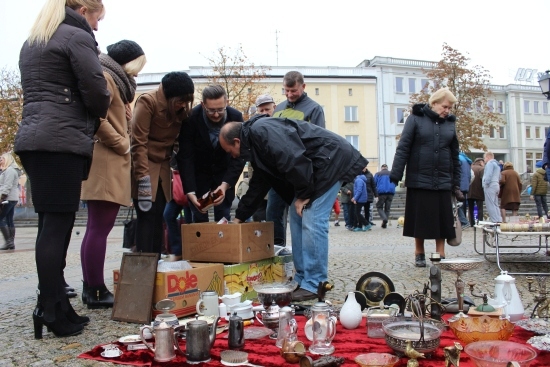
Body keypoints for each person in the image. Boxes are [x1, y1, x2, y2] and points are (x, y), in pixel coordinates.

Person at [14, 0, 109, 339]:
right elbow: (98, 94)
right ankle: (50, 308)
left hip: (35, 140)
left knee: (50, 225)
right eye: (98, 18)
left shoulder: (34, 40)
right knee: (57, 227)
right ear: (84, 10)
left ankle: (54, 302)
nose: (98, 27)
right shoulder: (76, 37)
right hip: (61, 142)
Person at [219, 117, 368, 301]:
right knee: (296, 215)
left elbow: (293, 157)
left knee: (313, 218)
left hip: (331, 160)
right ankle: (302, 278)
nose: (233, 156)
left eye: (230, 151)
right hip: (317, 166)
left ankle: (315, 284)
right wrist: (239, 218)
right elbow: (259, 184)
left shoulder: (261, 130)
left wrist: (304, 194)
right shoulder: (255, 145)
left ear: (236, 141)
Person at [80, 40, 146, 309]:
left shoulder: (115, 80)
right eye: (138, 66)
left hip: (110, 162)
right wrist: (122, 142)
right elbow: (96, 118)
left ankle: (92, 286)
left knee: (98, 228)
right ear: (128, 62)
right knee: (98, 228)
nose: (139, 73)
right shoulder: (108, 78)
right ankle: (94, 289)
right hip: (106, 162)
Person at [390, 87, 461, 267]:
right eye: (445, 106)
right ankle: (419, 252)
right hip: (419, 178)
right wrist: (396, 174)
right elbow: (403, 147)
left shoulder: (450, 124)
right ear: (434, 103)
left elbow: (455, 155)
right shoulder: (415, 119)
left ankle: (440, 252)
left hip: (443, 179)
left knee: (442, 219)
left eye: (450, 108)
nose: (447, 110)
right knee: (419, 219)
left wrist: (457, 183)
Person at [131, 71, 195, 254]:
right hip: (145, 165)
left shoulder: (181, 110)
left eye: (186, 101)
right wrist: (142, 178)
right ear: (169, 96)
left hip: (163, 167)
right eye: (180, 101)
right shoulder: (147, 102)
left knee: (160, 216)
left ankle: (156, 261)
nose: (183, 105)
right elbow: (138, 142)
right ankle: (144, 262)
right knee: (146, 216)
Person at [267, 71, 326, 247]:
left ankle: (302, 260)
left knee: (298, 218)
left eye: (294, 90)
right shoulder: (278, 109)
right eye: (286, 90)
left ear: (303, 87)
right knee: (273, 214)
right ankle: (277, 252)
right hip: (279, 174)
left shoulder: (314, 109)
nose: (290, 94)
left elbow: (318, 143)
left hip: (300, 173)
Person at [177, 85, 244, 223]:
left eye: (220, 109)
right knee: (199, 221)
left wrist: (225, 185)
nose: (216, 114)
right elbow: (186, 157)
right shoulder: (190, 118)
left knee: (223, 218)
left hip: (224, 175)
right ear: (202, 105)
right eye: (211, 110)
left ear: (227, 102)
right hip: (198, 177)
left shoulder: (236, 117)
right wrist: (190, 192)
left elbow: (239, 156)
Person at [163, 150, 193, 260]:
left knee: (190, 221)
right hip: (176, 184)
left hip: (190, 182)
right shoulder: (171, 141)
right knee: (168, 215)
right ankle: (177, 250)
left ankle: (191, 251)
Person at [0, 153, 21, 250]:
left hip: (7, 198)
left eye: (2, 159)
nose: (1, 160)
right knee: (9, 220)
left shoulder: (10, 170)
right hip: (11, 198)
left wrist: (1, 198)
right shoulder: (9, 170)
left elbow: (7, 185)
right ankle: (10, 243)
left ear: (8, 159)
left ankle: (8, 242)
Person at [482, 151, 502, 223]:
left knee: (490, 204)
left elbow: (488, 175)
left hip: (490, 185)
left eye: (484, 158)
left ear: (488, 157)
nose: (484, 160)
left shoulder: (489, 164)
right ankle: (498, 219)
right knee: (495, 204)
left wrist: (486, 184)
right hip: (496, 184)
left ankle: (494, 221)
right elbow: (500, 177)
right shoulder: (497, 165)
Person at [374, 164, 396, 228]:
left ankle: (384, 219)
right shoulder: (392, 173)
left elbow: (374, 183)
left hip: (381, 193)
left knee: (379, 207)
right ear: (387, 168)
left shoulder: (378, 174)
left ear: (381, 168)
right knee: (387, 209)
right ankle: (385, 223)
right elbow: (395, 182)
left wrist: (375, 193)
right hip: (391, 193)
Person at [468, 158, 485, 226]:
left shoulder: (470, 168)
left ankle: (471, 223)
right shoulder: (481, 169)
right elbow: (483, 180)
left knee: (470, 208)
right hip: (479, 191)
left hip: (469, 191)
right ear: (481, 162)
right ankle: (480, 222)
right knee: (479, 208)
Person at [457, 152, 472, 229]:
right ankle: (463, 222)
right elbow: (470, 175)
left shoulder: (457, 158)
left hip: (459, 185)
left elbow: (456, 172)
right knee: (462, 204)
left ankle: (464, 222)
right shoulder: (466, 160)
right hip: (466, 185)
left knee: (457, 204)